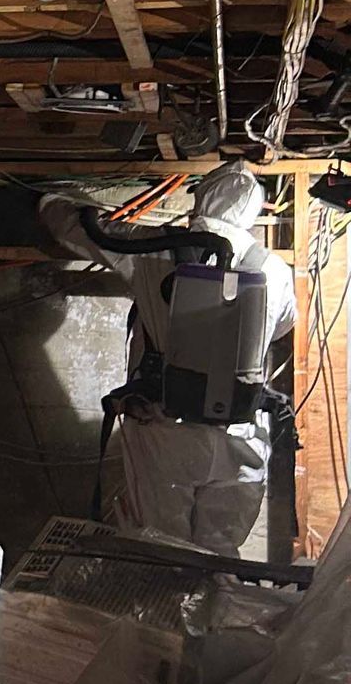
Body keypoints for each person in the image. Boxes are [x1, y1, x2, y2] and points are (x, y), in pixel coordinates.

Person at [38, 164, 295, 557]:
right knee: (222, 553)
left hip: (165, 432)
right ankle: (214, 615)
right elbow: (280, 328)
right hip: (239, 437)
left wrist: (48, 200)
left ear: (200, 200)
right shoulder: (273, 269)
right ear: (252, 214)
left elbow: (81, 231)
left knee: (159, 549)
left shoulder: (153, 247)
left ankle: (160, 618)